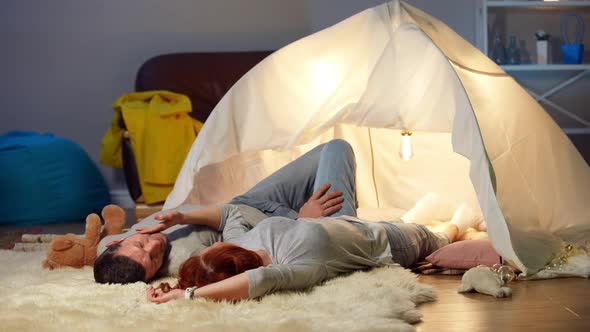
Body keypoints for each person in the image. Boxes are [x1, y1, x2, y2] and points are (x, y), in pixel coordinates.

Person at [143, 153, 478, 304]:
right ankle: (455, 225)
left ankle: (422, 216)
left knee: (400, 216)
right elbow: (258, 281)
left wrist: (182, 218)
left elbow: (230, 213)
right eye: (209, 251)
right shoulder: (293, 267)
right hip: (391, 244)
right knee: (439, 236)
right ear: (229, 261)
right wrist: (189, 295)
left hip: (355, 225)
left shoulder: (244, 240)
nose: (207, 246)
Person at [93, 139, 357, 284]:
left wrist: (179, 216)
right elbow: (251, 256)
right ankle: (345, 229)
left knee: (332, 148)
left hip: (251, 201)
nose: (154, 246)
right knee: (343, 231)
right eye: (151, 260)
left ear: (117, 242)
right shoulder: (186, 262)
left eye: (141, 243)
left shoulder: (107, 251)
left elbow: (101, 247)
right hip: (270, 226)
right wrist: (301, 222)